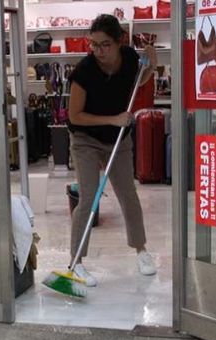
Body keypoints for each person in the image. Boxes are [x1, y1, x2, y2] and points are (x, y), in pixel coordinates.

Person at [66, 14, 157, 287]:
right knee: (88, 197)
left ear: (120, 42)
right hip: (86, 140)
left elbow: (137, 80)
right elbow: (75, 117)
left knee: (128, 194)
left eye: (105, 44)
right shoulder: (83, 72)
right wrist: (114, 118)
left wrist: (152, 64)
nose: (98, 51)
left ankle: (141, 250)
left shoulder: (129, 59)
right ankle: (76, 262)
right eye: (93, 44)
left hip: (118, 139)